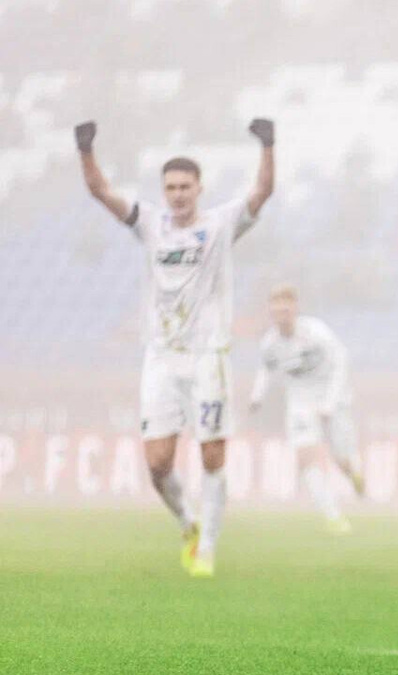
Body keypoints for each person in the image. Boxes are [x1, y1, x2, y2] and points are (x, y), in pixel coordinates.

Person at [75, 117, 275, 578]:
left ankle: (208, 548)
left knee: (211, 454)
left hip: (208, 357)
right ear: (163, 191)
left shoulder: (221, 223)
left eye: (185, 186)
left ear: (199, 188)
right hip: (162, 358)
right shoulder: (150, 223)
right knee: (157, 463)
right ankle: (188, 523)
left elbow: (263, 190)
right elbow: (100, 191)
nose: (178, 194)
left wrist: (268, 145)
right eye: (171, 187)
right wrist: (86, 150)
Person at [249, 284, 364, 533]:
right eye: (276, 306)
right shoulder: (270, 342)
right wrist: (257, 396)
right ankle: (333, 516)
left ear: (295, 307)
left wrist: (330, 402)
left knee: (342, 457)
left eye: (286, 305)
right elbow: (266, 368)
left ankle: (354, 472)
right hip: (300, 401)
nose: (281, 311)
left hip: (333, 397)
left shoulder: (315, 332)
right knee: (306, 459)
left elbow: (340, 360)